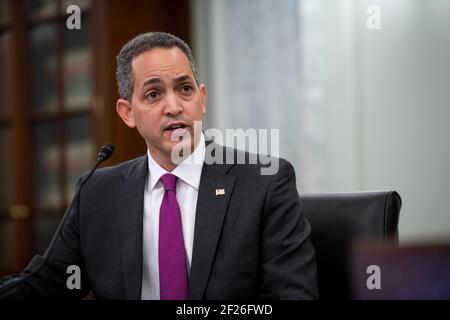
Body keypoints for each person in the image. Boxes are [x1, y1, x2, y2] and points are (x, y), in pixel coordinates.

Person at [0, 32, 318, 300]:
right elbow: (42, 287)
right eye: (153, 94)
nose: (174, 106)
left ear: (202, 99)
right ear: (127, 112)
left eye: (184, 89)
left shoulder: (264, 182)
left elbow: (292, 295)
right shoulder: (97, 192)